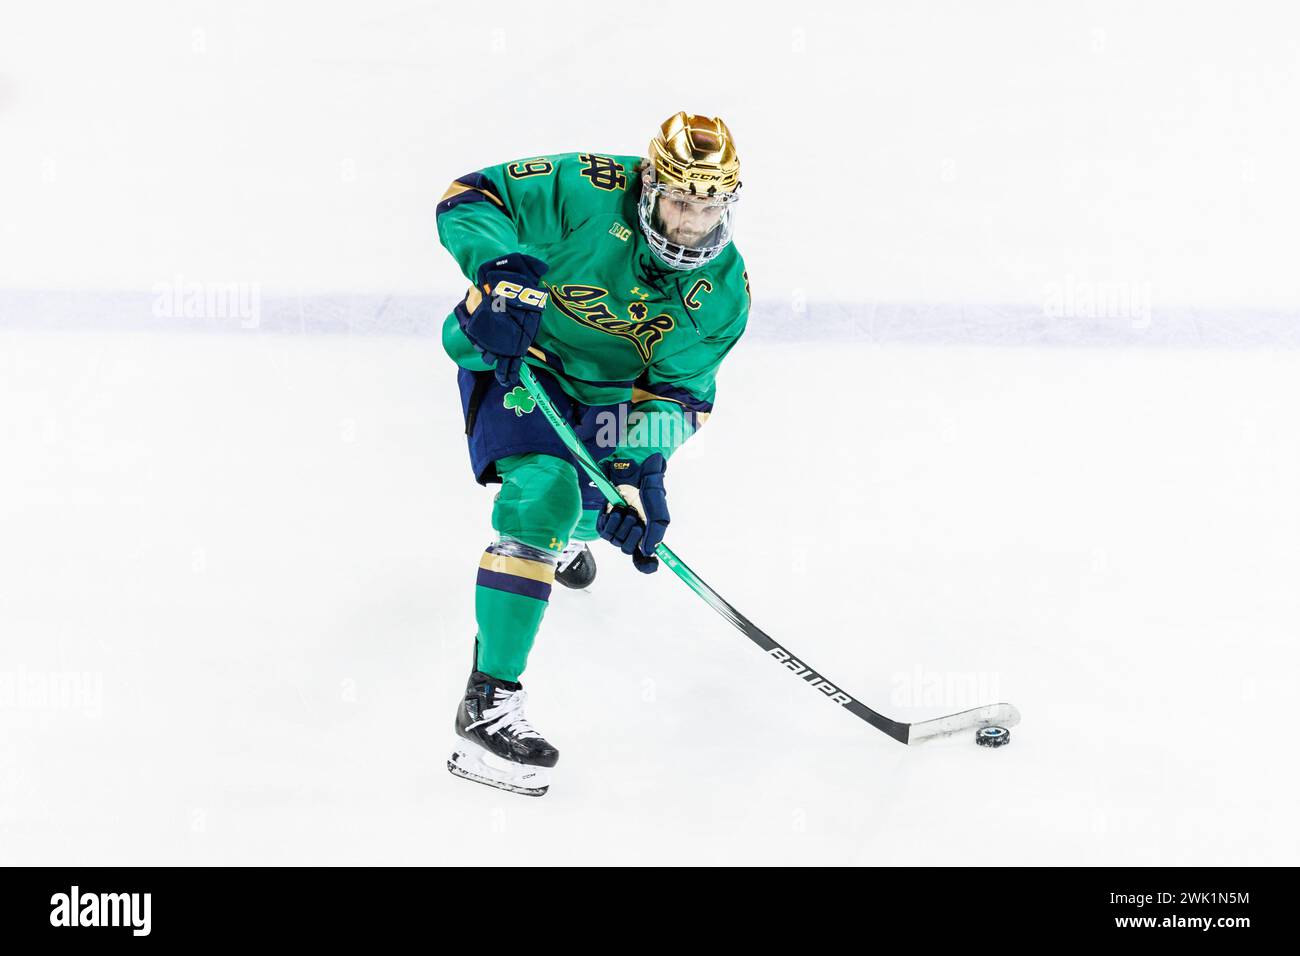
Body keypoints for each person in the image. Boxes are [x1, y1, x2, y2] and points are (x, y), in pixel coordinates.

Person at [437, 112, 751, 796]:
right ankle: (487, 702)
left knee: (593, 508)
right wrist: (499, 271)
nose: (690, 222)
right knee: (543, 494)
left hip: (609, 395)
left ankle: (564, 538)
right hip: (521, 355)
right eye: (678, 200)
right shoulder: (587, 188)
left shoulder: (723, 293)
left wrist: (639, 473)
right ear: (649, 185)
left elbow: (679, 399)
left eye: (708, 206)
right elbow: (468, 196)